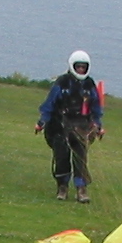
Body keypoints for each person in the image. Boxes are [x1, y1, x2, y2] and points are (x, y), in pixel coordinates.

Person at [35, 50, 104, 203]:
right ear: (73, 66)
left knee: (80, 157)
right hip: (59, 126)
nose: (80, 70)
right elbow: (49, 105)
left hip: (81, 128)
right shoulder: (62, 83)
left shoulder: (89, 85)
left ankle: (81, 189)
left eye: (83, 67)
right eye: (78, 67)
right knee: (62, 156)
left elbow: (96, 108)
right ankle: (62, 187)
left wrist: (98, 125)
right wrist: (41, 122)